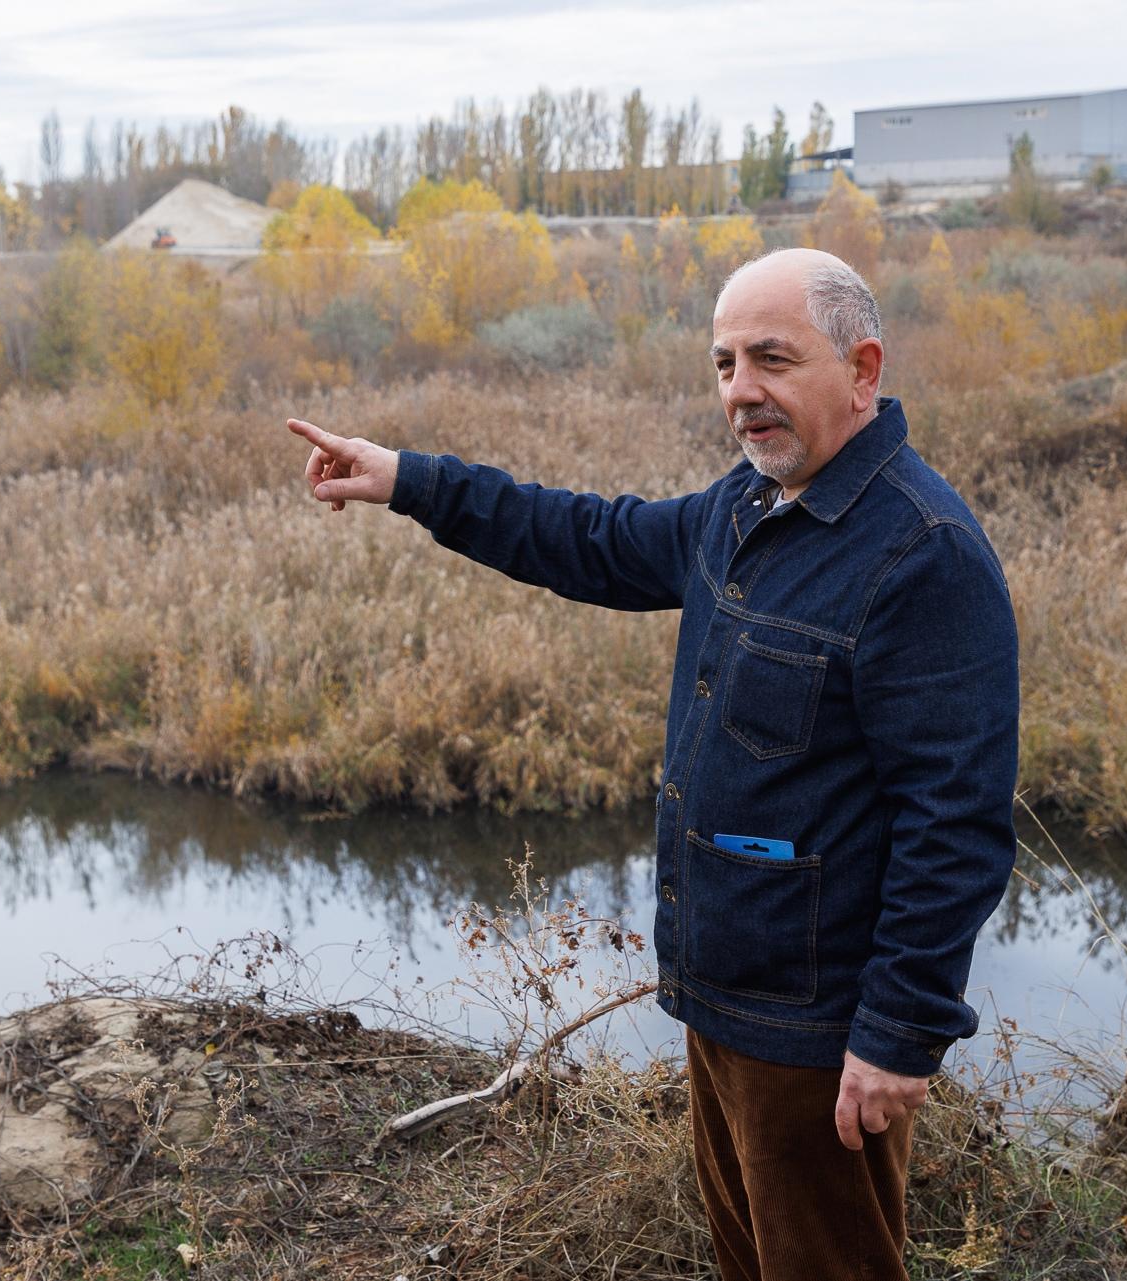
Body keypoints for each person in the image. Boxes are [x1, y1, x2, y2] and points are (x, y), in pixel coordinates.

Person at [286, 247, 1019, 1281]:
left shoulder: (921, 554)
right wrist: (411, 481)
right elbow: (589, 537)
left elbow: (958, 825)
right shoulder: (747, 509)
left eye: (771, 358)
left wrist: (900, 1033)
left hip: (814, 1029)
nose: (741, 392)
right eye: (724, 363)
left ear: (863, 369)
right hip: (724, 996)